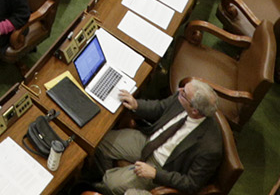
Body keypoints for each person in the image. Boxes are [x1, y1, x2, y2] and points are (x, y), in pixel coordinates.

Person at [92, 79, 226, 193]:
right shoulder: (183, 98)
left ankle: (99, 186)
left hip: (161, 167)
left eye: (183, 93)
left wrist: (156, 174)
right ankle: (105, 175)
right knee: (99, 140)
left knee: (110, 182)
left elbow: (191, 184)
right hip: (149, 141)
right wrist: (136, 104)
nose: (179, 90)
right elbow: (160, 107)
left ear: (194, 110)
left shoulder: (210, 147)